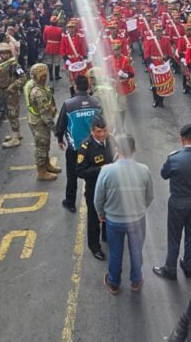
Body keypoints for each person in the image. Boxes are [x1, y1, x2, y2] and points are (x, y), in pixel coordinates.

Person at [153, 124, 191, 281]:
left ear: (182, 140)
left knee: (174, 237)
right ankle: (187, 266)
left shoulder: (174, 158)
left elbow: (164, 174)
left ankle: (170, 268)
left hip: (178, 202)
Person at [94, 134, 153, 294]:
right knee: (136, 251)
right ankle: (136, 281)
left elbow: (98, 198)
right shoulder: (144, 170)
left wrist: (101, 214)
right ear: (134, 150)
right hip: (137, 220)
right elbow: (149, 197)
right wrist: (140, 209)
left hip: (113, 221)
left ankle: (114, 283)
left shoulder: (106, 171)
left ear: (116, 150)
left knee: (115, 252)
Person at [57, 76, 102, 213]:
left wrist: (60, 139)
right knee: (93, 174)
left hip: (75, 148)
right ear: (88, 87)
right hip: (92, 148)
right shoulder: (96, 103)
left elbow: (61, 125)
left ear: (75, 86)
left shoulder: (68, 104)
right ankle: (93, 199)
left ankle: (70, 202)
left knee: (72, 175)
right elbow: (103, 123)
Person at [75, 115, 116, 260]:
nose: (102, 134)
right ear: (92, 131)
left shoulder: (111, 141)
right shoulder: (85, 148)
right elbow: (79, 171)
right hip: (94, 189)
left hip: (110, 188)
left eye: (104, 131)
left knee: (109, 213)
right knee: (94, 218)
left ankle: (107, 235)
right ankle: (94, 246)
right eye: (99, 131)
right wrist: (101, 169)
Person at [25, 63, 61, 181]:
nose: (45, 77)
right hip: (40, 123)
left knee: (45, 145)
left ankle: (47, 165)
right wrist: (55, 130)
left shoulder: (39, 87)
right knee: (41, 147)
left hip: (37, 121)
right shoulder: (39, 93)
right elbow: (45, 115)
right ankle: (41, 172)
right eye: (43, 75)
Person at [0, 43, 27, 148]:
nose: (5, 55)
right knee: (8, 113)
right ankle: (16, 133)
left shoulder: (13, 64)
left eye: (7, 53)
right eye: (3, 53)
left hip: (11, 92)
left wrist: (13, 86)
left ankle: (15, 138)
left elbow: (23, 77)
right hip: (2, 91)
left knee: (13, 113)